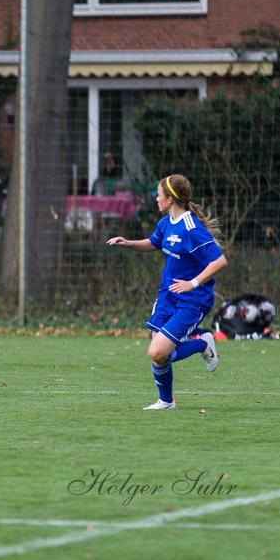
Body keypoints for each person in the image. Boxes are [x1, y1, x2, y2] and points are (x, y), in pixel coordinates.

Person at [106, 173, 227, 410]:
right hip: (167, 296)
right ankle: (166, 401)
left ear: (170, 199)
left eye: (158, 195)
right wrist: (129, 243)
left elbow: (220, 261)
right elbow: (154, 243)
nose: (156, 199)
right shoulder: (165, 224)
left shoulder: (191, 228)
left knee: (157, 351)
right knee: (159, 353)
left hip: (192, 299)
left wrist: (193, 282)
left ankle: (203, 344)